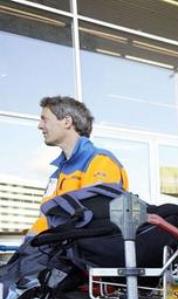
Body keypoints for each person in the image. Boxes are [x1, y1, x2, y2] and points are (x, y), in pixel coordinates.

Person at [31, 96, 128, 236]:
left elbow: (95, 218)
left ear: (67, 122)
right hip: (56, 249)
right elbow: (45, 219)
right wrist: (28, 246)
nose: (39, 125)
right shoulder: (56, 175)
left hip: (84, 252)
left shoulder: (101, 161)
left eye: (44, 119)